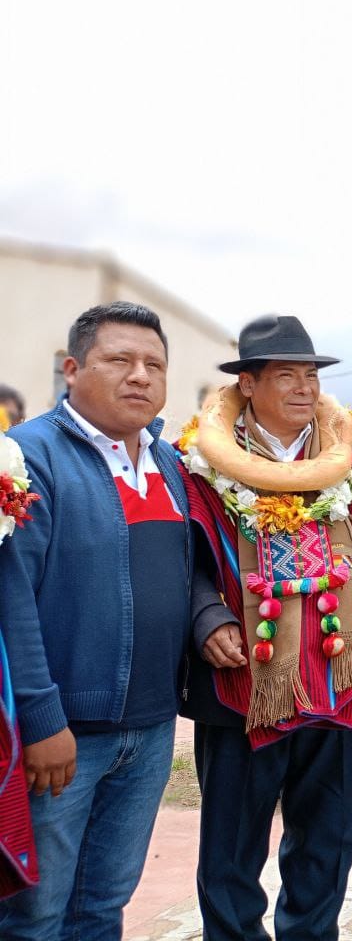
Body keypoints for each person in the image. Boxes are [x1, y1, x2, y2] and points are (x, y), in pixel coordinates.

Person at [176, 315, 352, 941]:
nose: (305, 388)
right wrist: (206, 615)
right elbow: (177, 560)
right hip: (248, 679)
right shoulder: (197, 469)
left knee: (328, 838)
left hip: (336, 675)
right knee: (233, 846)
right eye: (287, 375)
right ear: (246, 384)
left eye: (312, 375)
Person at [0, 302, 204, 939]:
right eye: (120, 360)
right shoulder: (29, 459)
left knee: (103, 904)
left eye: (154, 365)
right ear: (72, 369)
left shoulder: (169, 464)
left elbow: (186, 573)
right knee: (35, 914)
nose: (140, 376)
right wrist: (40, 719)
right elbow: (11, 600)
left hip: (148, 731)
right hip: (64, 736)